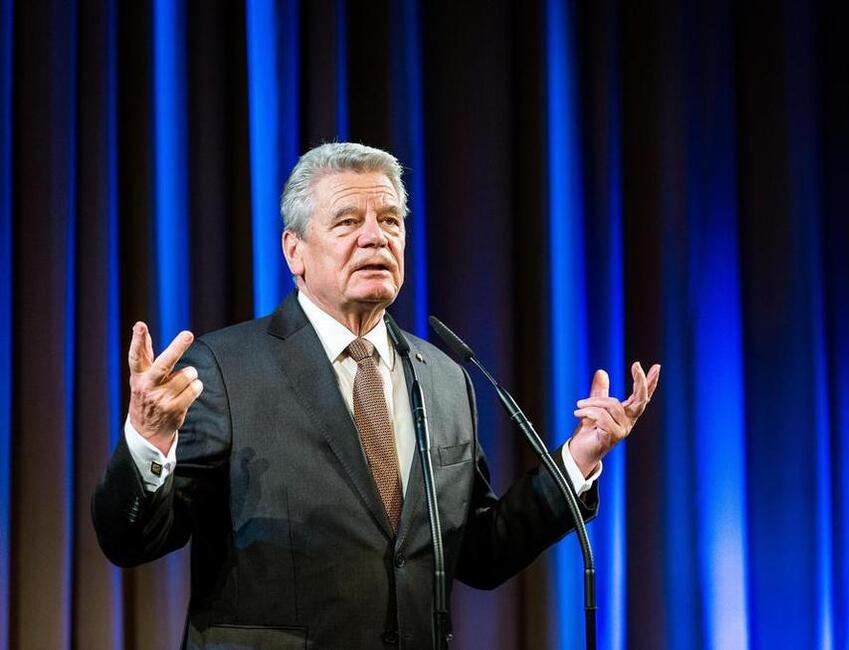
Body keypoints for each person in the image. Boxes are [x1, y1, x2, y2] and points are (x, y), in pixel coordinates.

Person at [91, 142, 660, 649]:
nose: (375, 236)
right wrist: (147, 439)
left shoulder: (443, 376)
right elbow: (132, 540)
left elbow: (480, 553)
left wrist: (579, 459)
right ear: (295, 252)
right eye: (347, 222)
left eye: (391, 220)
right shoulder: (225, 367)